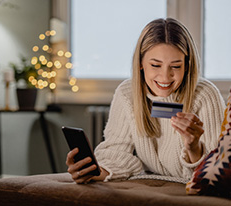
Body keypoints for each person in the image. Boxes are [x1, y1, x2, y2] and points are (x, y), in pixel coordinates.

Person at [66, 18, 226, 184]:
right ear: (141, 63)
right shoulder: (127, 93)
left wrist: (194, 147)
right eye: (155, 65)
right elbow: (116, 152)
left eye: (176, 66)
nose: (165, 77)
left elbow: (215, 172)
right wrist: (91, 171)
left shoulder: (205, 95)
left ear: (187, 66)